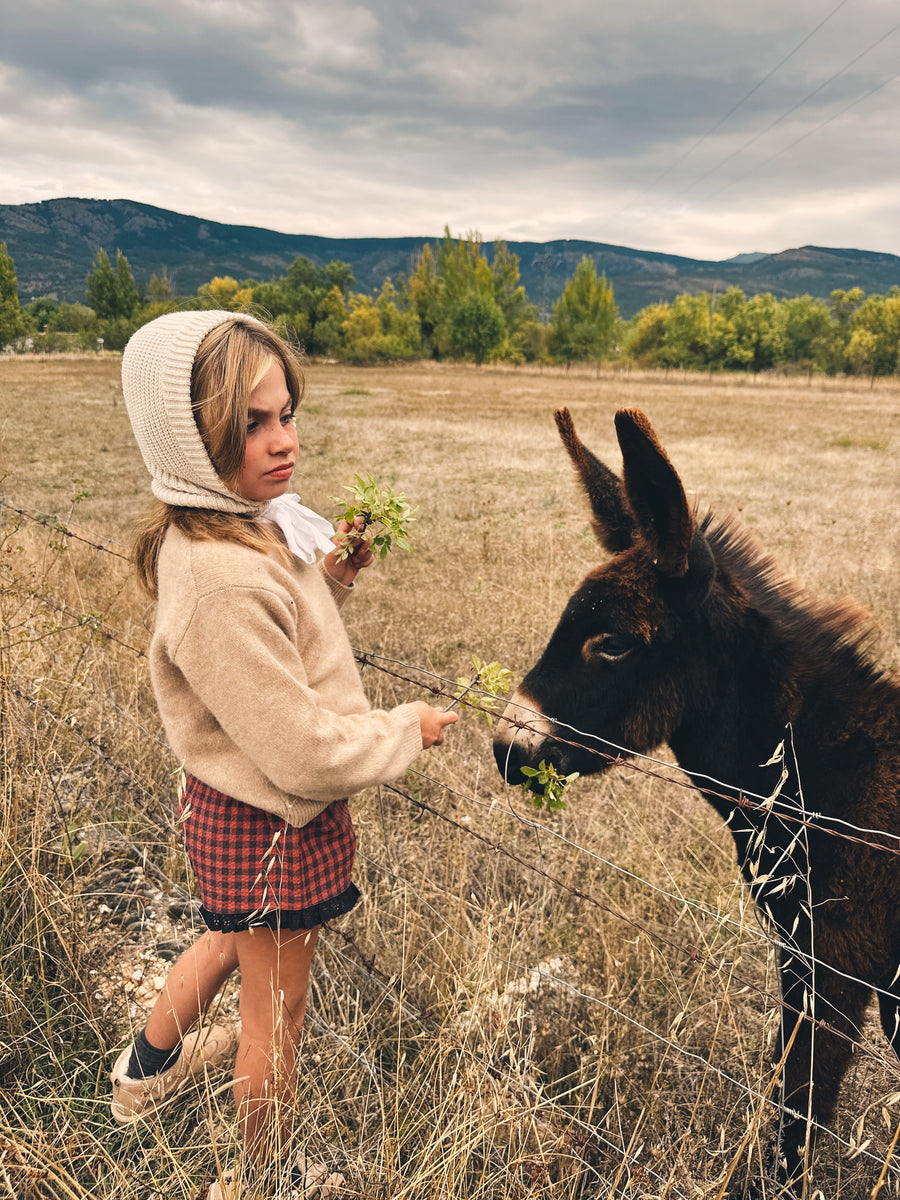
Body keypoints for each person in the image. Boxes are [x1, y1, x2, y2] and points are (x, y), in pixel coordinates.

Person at [112, 309, 457, 1199]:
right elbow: (301, 749)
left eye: (286, 414)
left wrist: (332, 576)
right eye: (250, 425)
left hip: (242, 805)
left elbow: (281, 642)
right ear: (189, 441)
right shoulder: (220, 575)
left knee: (231, 943)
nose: (282, 442)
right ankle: (261, 1175)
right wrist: (400, 731)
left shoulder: (244, 525)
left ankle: (145, 1075)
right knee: (278, 1015)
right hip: (272, 813)